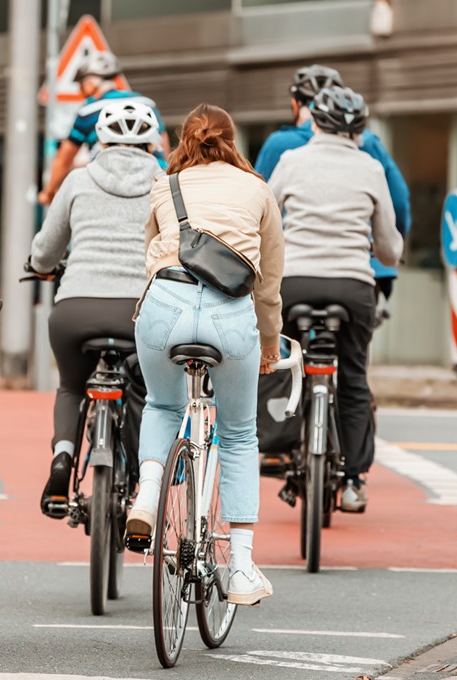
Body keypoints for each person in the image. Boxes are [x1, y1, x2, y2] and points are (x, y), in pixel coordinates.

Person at [124, 103, 285, 605]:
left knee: (161, 405)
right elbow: (270, 281)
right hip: (229, 314)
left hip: (163, 306)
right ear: (232, 141)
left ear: (183, 140)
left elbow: (150, 254)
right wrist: (269, 341)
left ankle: (148, 494)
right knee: (237, 433)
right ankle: (240, 568)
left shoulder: (163, 186)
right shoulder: (258, 190)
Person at [268, 86, 403, 513]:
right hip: (352, 285)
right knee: (355, 376)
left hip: (296, 283)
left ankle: (281, 446)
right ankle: (353, 479)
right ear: (359, 130)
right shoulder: (370, 167)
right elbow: (388, 249)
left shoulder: (290, 161)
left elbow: (265, 220)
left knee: (284, 361)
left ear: (315, 122)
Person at [29, 100, 162, 518]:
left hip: (75, 309)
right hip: (140, 312)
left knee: (71, 385)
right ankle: (144, 479)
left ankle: (62, 458)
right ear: (151, 143)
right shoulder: (165, 181)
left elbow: (46, 249)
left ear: (100, 140)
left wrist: (40, 267)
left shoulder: (77, 180)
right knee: (151, 390)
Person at [254, 64, 411, 314]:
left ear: (296, 105)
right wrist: (391, 241)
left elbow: (259, 205)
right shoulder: (367, 144)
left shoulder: (281, 146)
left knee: (283, 337)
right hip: (360, 266)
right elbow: (399, 202)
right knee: (357, 340)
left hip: (295, 268)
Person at [38, 52, 170, 205]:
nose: (80, 90)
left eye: (81, 84)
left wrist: (48, 192)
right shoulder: (147, 104)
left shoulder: (88, 111)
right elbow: (163, 146)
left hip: (110, 185)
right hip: (155, 182)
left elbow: (64, 159)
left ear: (91, 82)